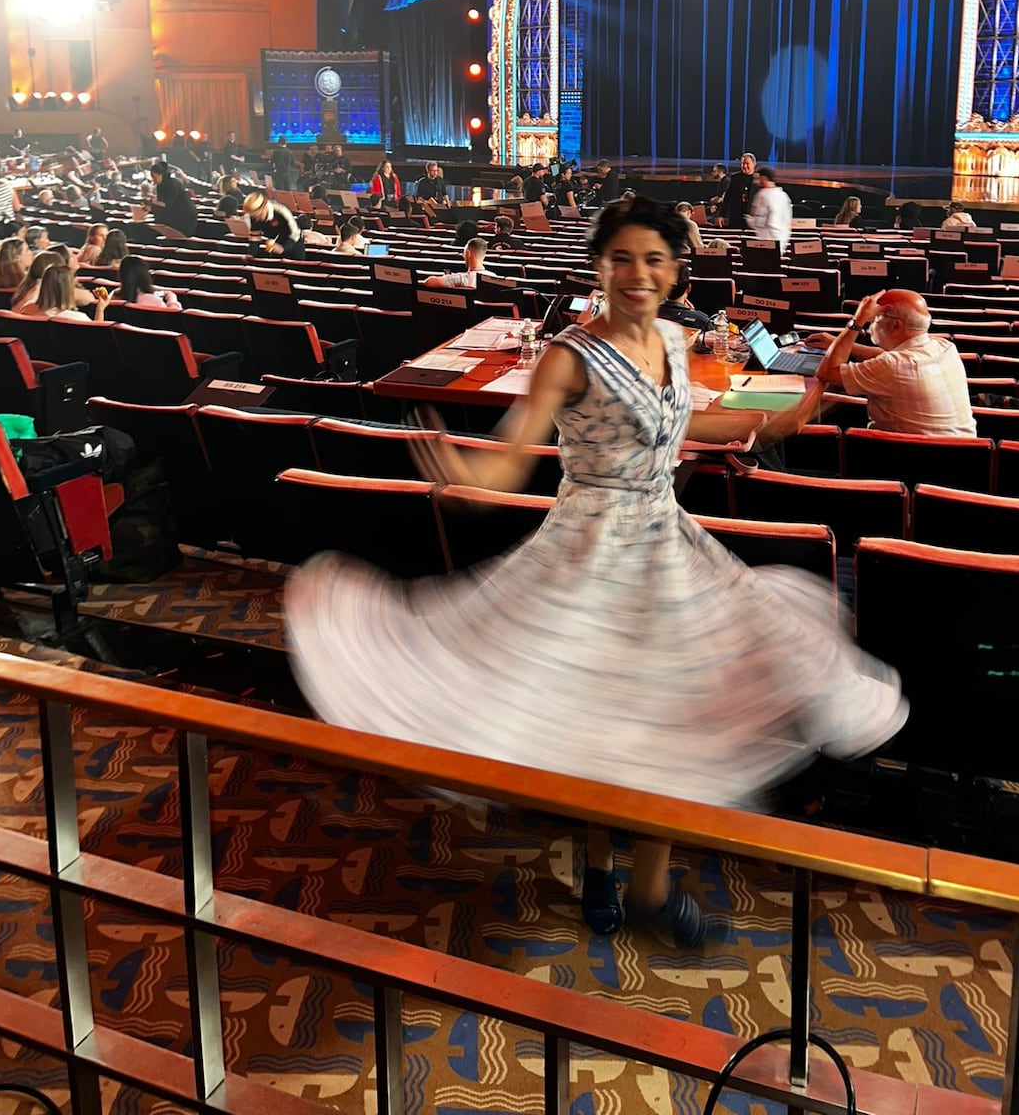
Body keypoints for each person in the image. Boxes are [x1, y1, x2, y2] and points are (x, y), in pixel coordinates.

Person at [287, 196, 906, 946]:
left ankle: (644, 883)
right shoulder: (568, 356)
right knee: (599, 708)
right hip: (589, 548)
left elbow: (682, 421)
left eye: (653, 259)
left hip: (665, 541)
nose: (637, 273)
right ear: (599, 267)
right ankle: (602, 865)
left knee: (669, 712)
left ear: (675, 270)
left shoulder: (674, 341)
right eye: (621, 259)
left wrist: (771, 421)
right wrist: (463, 473)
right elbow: (513, 460)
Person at [809, 288, 975, 436]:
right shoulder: (945, 347)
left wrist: (857, 321)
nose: (870, 325)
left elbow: (826, 372)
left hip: (906, 456)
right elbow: (891, 358)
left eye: (875, 318)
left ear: (896, 326)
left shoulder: (891, 365)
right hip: (964, 453)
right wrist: (840, 344)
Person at [242, 191, 305, 258]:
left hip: (293, 244)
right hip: (276, 245)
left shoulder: (281, 210)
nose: (257, 220)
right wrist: (251, 254)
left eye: (258, 216)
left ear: (265, 207)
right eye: (254, 217)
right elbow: (255, 237)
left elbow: (295, 233)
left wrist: (283, 248)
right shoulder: (254, 217)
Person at [747, 165, 792, 252]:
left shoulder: (762, 195)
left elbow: (759, 222)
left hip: (767, 241)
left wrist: (749, 220)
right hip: (782, 240)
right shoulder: (783, 196)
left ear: (763, 178)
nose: (756, 181)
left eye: (758, 178)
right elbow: (787, 220)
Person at [149, 161, 199, 236]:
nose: (153, 180)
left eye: (154, 177)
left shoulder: (173, 184)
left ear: (161, 174)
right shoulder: (160, 186)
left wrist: (154, 202)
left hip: (184, 218)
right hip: (173, 216)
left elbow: (168, 204)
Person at [113, 256, 182, 309]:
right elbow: (172, 318)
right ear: (145, 276)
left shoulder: (113, 297)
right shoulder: (155, 302)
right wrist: (172, 299)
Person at [721, 153, 757, 228]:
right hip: (736, 218)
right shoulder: (735, 178)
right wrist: (722, 215)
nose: (744, 166)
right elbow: (728, 197)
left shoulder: (759, 179)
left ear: (754, 164)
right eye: (743, 164)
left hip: (753, 220)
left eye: (747, 163)